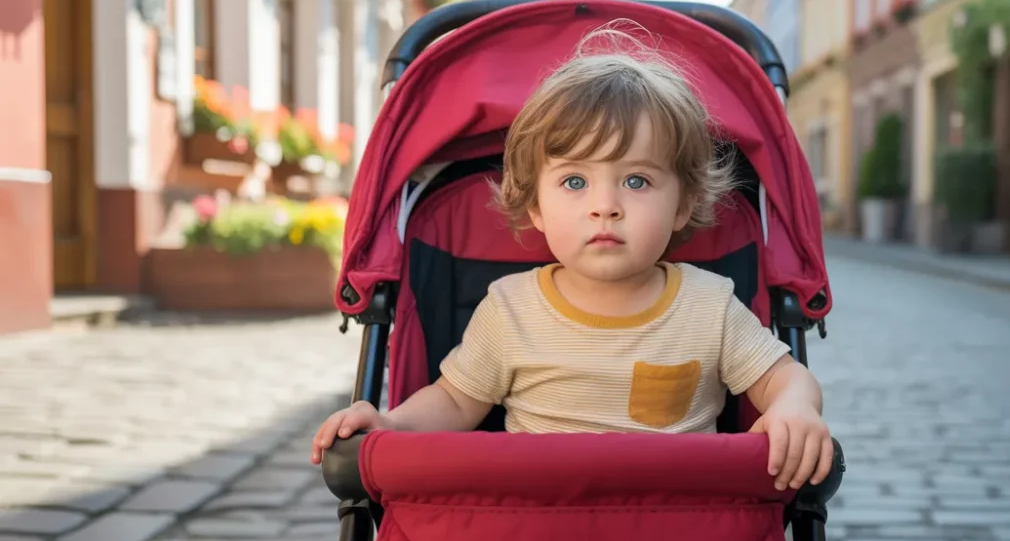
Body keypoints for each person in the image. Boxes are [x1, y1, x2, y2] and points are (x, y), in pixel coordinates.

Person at [310, 24, 834, 491]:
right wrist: (392, 425)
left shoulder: (709, 306)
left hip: (672, 521)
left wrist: (792, 405)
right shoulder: (510, 309)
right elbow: (453, 402)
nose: (605, 206)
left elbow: (785, 378)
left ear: (684, 205)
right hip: (536, 521)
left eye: (637, 180)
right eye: (575, 182)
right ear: (535, 206)